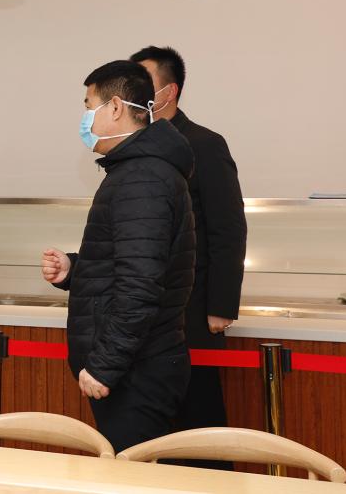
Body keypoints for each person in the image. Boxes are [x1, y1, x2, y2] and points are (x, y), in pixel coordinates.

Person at [42, 60, 196, 453]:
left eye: (88, 106)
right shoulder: (137, 172)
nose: (85, 118)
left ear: (114, 107)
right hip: (139, 363)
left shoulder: (142, 178)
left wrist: (105, 364)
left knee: (131, 473)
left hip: (136, 370)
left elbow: (140, 286)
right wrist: (74, 269)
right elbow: (133, 259)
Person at [132, 46, 246, 469]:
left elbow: (227, 228)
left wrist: (221, 306)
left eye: (143, 84)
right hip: (146, 310)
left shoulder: (204, 144)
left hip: (193, 310)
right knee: (152, 426)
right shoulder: (134, 146)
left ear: (170, 91)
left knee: (199, 420)